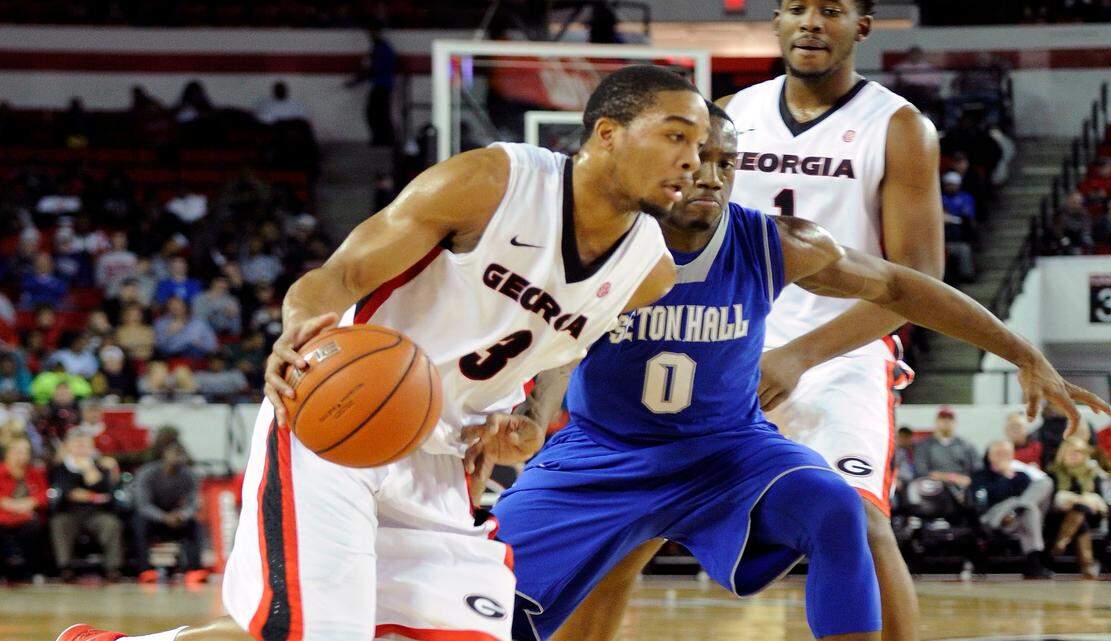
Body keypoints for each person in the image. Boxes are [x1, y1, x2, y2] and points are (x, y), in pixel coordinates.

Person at [57, 64, 701, 641]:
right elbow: (338, 277)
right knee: (319, 633)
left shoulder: (651, 272)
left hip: (442, 462)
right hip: (337, 425)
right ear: (608, 133)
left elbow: (565, 346)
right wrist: (298, 328)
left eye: (700, 146)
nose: (692, 161)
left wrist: (532, 418)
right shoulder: (492, 182)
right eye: (676, 136)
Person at [488, 105, 1111, 641]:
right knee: (484, 582)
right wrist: (537, 413)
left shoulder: (772, 242)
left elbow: (902, 285)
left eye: (726, 163)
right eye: (694, 159)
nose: (708, 175)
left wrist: (1024, 353)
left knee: (840, 510)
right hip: (604, 456)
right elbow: (560, 344)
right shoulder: (603, 237)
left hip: (726, 454)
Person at [715, 3, 942, 641]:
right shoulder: (729, 115)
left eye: (831, 10)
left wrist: (799, 356)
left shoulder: (898, 127)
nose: (811, 22)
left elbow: (919, 287)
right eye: (797, 8)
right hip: (726, 344)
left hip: (840, 353)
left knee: (861, 524)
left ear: (861, 26)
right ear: (777, 21)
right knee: (629, 521)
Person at [49, 429, 124, 582]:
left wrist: (90, 472)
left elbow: (107, 493)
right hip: (69, 513)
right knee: (59, 523)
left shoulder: (101, 466)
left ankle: (112, 568)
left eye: (85, 445)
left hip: (96, 514)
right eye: (77, 444)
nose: (81, 448)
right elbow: (68, 492)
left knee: (111, 524)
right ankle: (65, 568)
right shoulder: (61, 467)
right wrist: (94, 495)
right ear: (68, 447)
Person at [970, 440, 1052, 578]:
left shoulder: (1021, 475)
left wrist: (1011, 477)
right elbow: (985, 500)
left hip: (1015, 520)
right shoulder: (980, 475)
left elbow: (1029, 495)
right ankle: (1034, 562)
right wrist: (1004, 477)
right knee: (1019, 503)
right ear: (989, 455)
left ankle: (1033, 562)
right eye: (998, 453)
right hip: (993, 518)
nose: (1002, 456)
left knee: (1031, 508)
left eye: (1006, 453)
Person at [132, 441, 209, 585]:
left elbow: (193, 504)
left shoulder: (189, 475)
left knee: (194, 525)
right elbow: (143, 505)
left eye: (181, 455)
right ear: (164, 455)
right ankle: (145, 570)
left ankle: (194, 569)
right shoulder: (148, 473)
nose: (178, 458)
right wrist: (163, 517)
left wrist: (182, 515)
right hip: (153, 517)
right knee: (139, 523)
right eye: (175, 454)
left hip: (176, 517)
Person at [1049, 437, 1109, 579]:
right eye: (1071, 452)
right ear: (1062, 454)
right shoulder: (1053, 473)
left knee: (1081, 508)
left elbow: (1099, 499)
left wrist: (1078, 501)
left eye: (1078, 453)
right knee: (1080, 513)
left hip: (1091, 514)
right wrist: (1078, 501)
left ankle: (1061, 541)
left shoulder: (1093, 473)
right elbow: (1053, 500)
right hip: (1061, 515)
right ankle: (1087, 564)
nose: (1075, 456)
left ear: (1085, 455)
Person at [0, 436, 49, 580]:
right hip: (4, 514)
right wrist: (9, 505)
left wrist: (31, 502)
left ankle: (31, 570)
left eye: (26, 452)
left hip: (28, 515)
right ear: (8, 453)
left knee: (34, 526)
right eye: (19, 451)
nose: (23, 456)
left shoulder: (35, 473)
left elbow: (44, 494)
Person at [913, 406, 980, 491]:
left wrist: (962, 479)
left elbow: (977, 468)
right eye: (943, 418)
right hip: (933, 485)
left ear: (955, 422)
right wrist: (948, 477)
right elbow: (921, 470)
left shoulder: (966, 445)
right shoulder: (925, 445)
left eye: (950, 419)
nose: (946, 421)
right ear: (936, 421)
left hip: (962, 486)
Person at [941, 171, 977, 283]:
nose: (950, 187)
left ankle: (967, 277)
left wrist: (950, 218)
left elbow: (966, 217)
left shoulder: (965, 198)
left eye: (953, 184)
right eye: (948, 184)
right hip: (942, 239)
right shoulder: (939, 198)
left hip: (959, 237)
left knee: (964, 250)